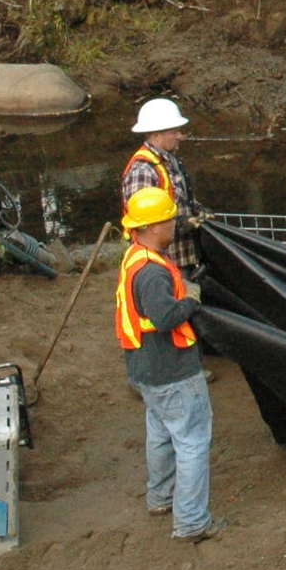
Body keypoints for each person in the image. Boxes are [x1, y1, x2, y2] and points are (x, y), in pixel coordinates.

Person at [116, 185, 218, 542]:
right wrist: (191, 299)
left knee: (160, 434)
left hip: (145, 368)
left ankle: (159, 498)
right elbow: (164, 317)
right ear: (153, 226)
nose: (174, 225)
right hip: (172, 369)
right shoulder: (153, 273)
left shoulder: (135, 257)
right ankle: (192, 522)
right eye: (169, 220)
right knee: (192, 440)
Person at [122, 98, 201, 274]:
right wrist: (181, 224)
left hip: (182, 255)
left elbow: (180, 197)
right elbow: (145, 224)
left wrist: (198, 210)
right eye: (174, 131)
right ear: (156, 134)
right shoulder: (142, 171)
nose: (180, 136)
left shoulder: (170, 160)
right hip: (164, 260)